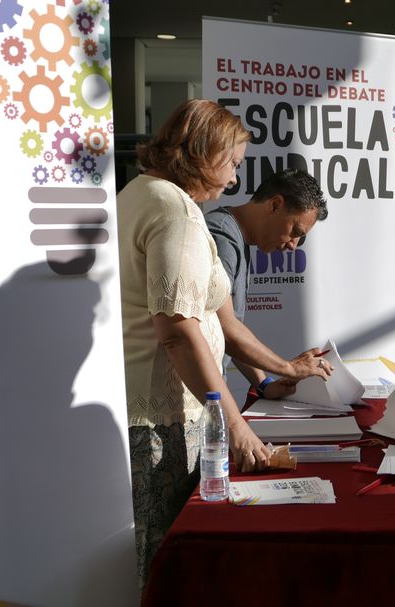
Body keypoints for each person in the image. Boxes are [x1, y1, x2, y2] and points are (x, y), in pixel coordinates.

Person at [117, 99, 330, 587]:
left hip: (159, 411)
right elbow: (179, 329)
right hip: (163, 420)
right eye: (232, 164)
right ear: (202, 149)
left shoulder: (143, 193)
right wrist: (231, 421)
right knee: (164, 561)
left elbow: (205, 321)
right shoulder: (175, 211)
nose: (234, 180)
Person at [205, 168, 329, 400]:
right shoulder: (223, 238)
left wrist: (263, 384)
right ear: (275, 205)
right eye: (295, 231)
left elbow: (231, 330)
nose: (293, 245)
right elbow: (226, 329)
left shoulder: (235, 238)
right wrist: (289, 368)